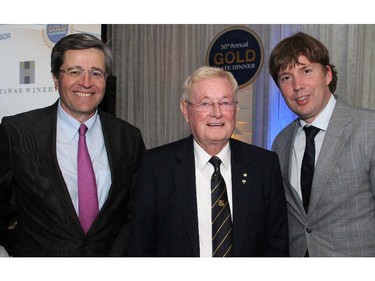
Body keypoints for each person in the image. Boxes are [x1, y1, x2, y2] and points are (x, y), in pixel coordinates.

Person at [0, 33, 146, 256]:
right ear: (56, 79)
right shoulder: (18, 131)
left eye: (96, 73)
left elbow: (136, 211)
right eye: (75, 71)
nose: (86, 83)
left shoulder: (128, 137)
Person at [128, 66, 288, 257]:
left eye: (225, 102)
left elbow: (277, 248)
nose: (217, 113)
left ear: (235, 109)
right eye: (205, 103)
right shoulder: (156, 167)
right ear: (185, 110)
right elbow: (141, 248)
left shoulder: (264, 166)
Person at [269, 31, 375, 256]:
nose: (297, 86)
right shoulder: (280, 142)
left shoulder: (369, 129)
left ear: (327, 74)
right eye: (286, 77)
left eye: (306, 71)